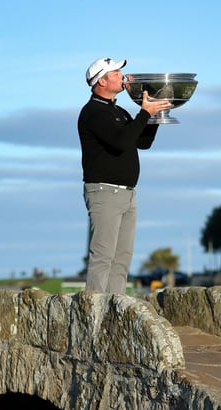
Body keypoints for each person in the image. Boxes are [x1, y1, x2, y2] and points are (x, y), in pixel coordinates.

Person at [78, 57, 171, 294]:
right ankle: (93, 315)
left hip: (127, 194)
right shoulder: (93, 112)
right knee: (103, 256)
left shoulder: (117, 110)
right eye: (116, 73)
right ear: (102, 81)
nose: (123, 76)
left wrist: (153, 116)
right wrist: (143, 113)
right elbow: (121, 142)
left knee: (122, 259)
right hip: (104, 192)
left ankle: (114, 312)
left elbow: (142, 141)